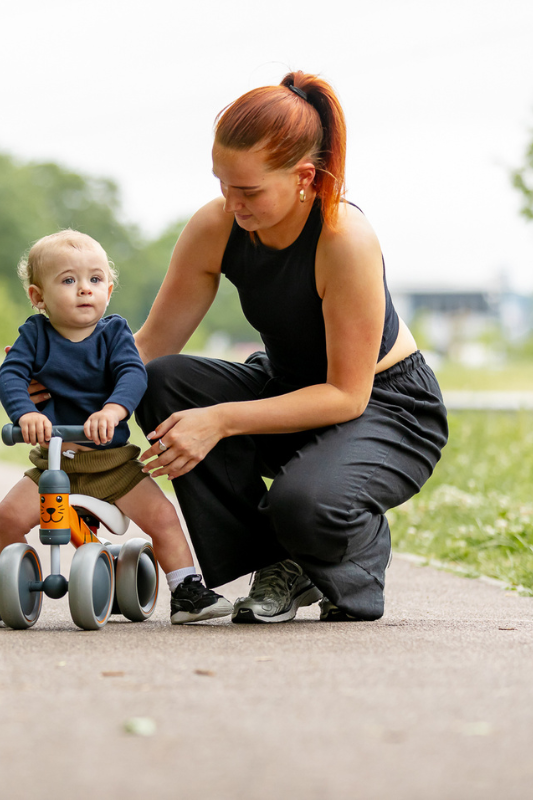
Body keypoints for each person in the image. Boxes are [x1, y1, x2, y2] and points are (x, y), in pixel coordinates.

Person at [132, 71, 449, 623]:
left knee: (303, 503)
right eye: (221, 183)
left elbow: (348, 396)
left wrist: (221, 420)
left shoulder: (343, 240)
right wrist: (73, 390)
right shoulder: (216, 225)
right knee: (163, 383)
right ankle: (278, 561)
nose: (232, 202)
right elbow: (152, 348)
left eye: (249, 190)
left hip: (387, 407)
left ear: (305, 176)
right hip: (287, 386)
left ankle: (341, 545)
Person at [0, 230, 233, 627]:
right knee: (7, 516)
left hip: (112, 465)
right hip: (57, 464)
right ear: (39, 297)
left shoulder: (114, 334)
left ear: (108, 289)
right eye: (68, 280)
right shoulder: (34, 336)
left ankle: (187, 588)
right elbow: (11, 376)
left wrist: (113, 410)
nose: (84, 289)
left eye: (94, 279)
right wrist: (25, 415)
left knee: (162, 517)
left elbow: (132, 373)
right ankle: (5, 589)